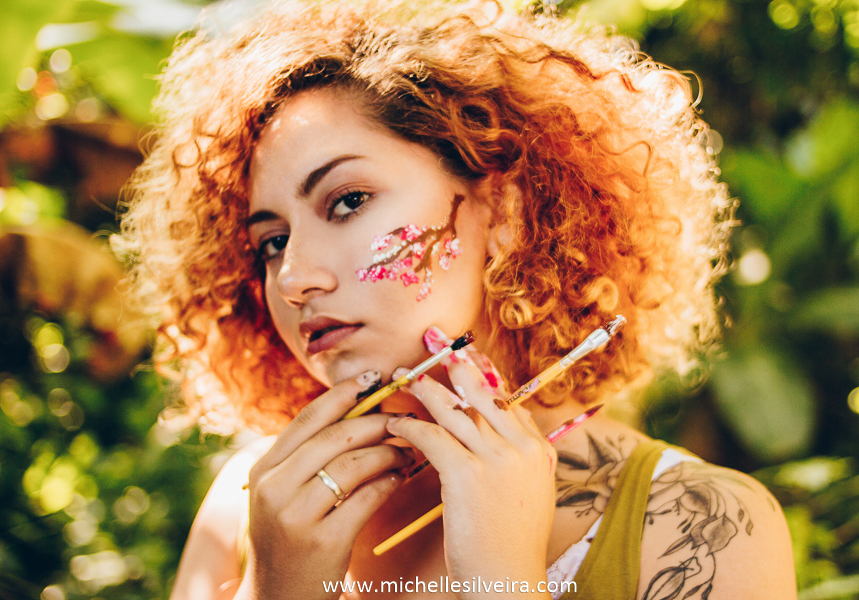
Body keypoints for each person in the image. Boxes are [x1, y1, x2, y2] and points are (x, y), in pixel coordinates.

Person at [117, 0, 797, 598]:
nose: (294, 277)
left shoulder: (703, 525)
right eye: (270, 242)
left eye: (348, 201)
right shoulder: (251, 507)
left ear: (501, 212)